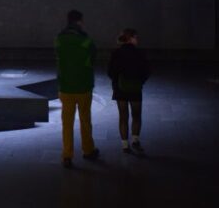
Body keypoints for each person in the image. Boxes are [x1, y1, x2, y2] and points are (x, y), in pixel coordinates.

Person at [54, 9, 99, 168]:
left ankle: (67, 155)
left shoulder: (59, 39)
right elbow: (93, 57)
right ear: (79, 22)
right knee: (85, 120)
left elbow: (59, 59)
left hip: (65, 87)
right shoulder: (85, 40)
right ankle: (88, 150)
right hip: (83, 86)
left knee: (67, 123)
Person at [107, 28, 151, 154]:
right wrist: (140, 82)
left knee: (123, 117)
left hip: (120, 89)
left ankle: (125, 145)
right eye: (136, 37)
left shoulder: (116, 53)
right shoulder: (140, 53)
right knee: (136, 116)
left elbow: (110, 72)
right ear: (130, 38)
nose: (138, 39)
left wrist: (117, 82)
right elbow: (147, 71)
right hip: (135, 89)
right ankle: (135, 140)